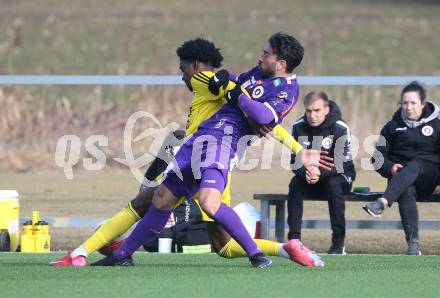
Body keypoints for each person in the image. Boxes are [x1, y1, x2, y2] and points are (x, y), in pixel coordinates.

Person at [51, 34, 327, 268]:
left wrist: (233, 91)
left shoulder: (203, 80)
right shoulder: (252, 77)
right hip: (197, 146)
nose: (182, 76)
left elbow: (262, 116)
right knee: (161, 200)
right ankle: (115, 254)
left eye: (265, 54)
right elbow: (248, 100)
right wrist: (296, 148)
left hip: (220, 147)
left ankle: (261, 255)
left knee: (203, 216)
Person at [363, 81, 440, 255]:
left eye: (413, 103)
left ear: (423, 104)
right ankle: (413, 243)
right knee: (405, 188)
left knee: (417, 164)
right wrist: (390, 168)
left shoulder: (437, 126)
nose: (409, 107)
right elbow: (377, 158)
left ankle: (382, 202)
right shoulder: (391, 127)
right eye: (405, 103)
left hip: (431, 178)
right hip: (401, 181)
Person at [287, 91, 355, 255]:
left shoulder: (340, 127)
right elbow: (294, 162)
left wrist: (318, 172)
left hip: (340, 176)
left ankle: (338, 243)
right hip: (311, 177)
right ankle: (294, 241)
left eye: (317, 110)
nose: (312, 115)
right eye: (309, 110)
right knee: (295, 183)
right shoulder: (298, 127)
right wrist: (306, 174)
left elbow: (340, 163)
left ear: (326, 110)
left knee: (333, 184)